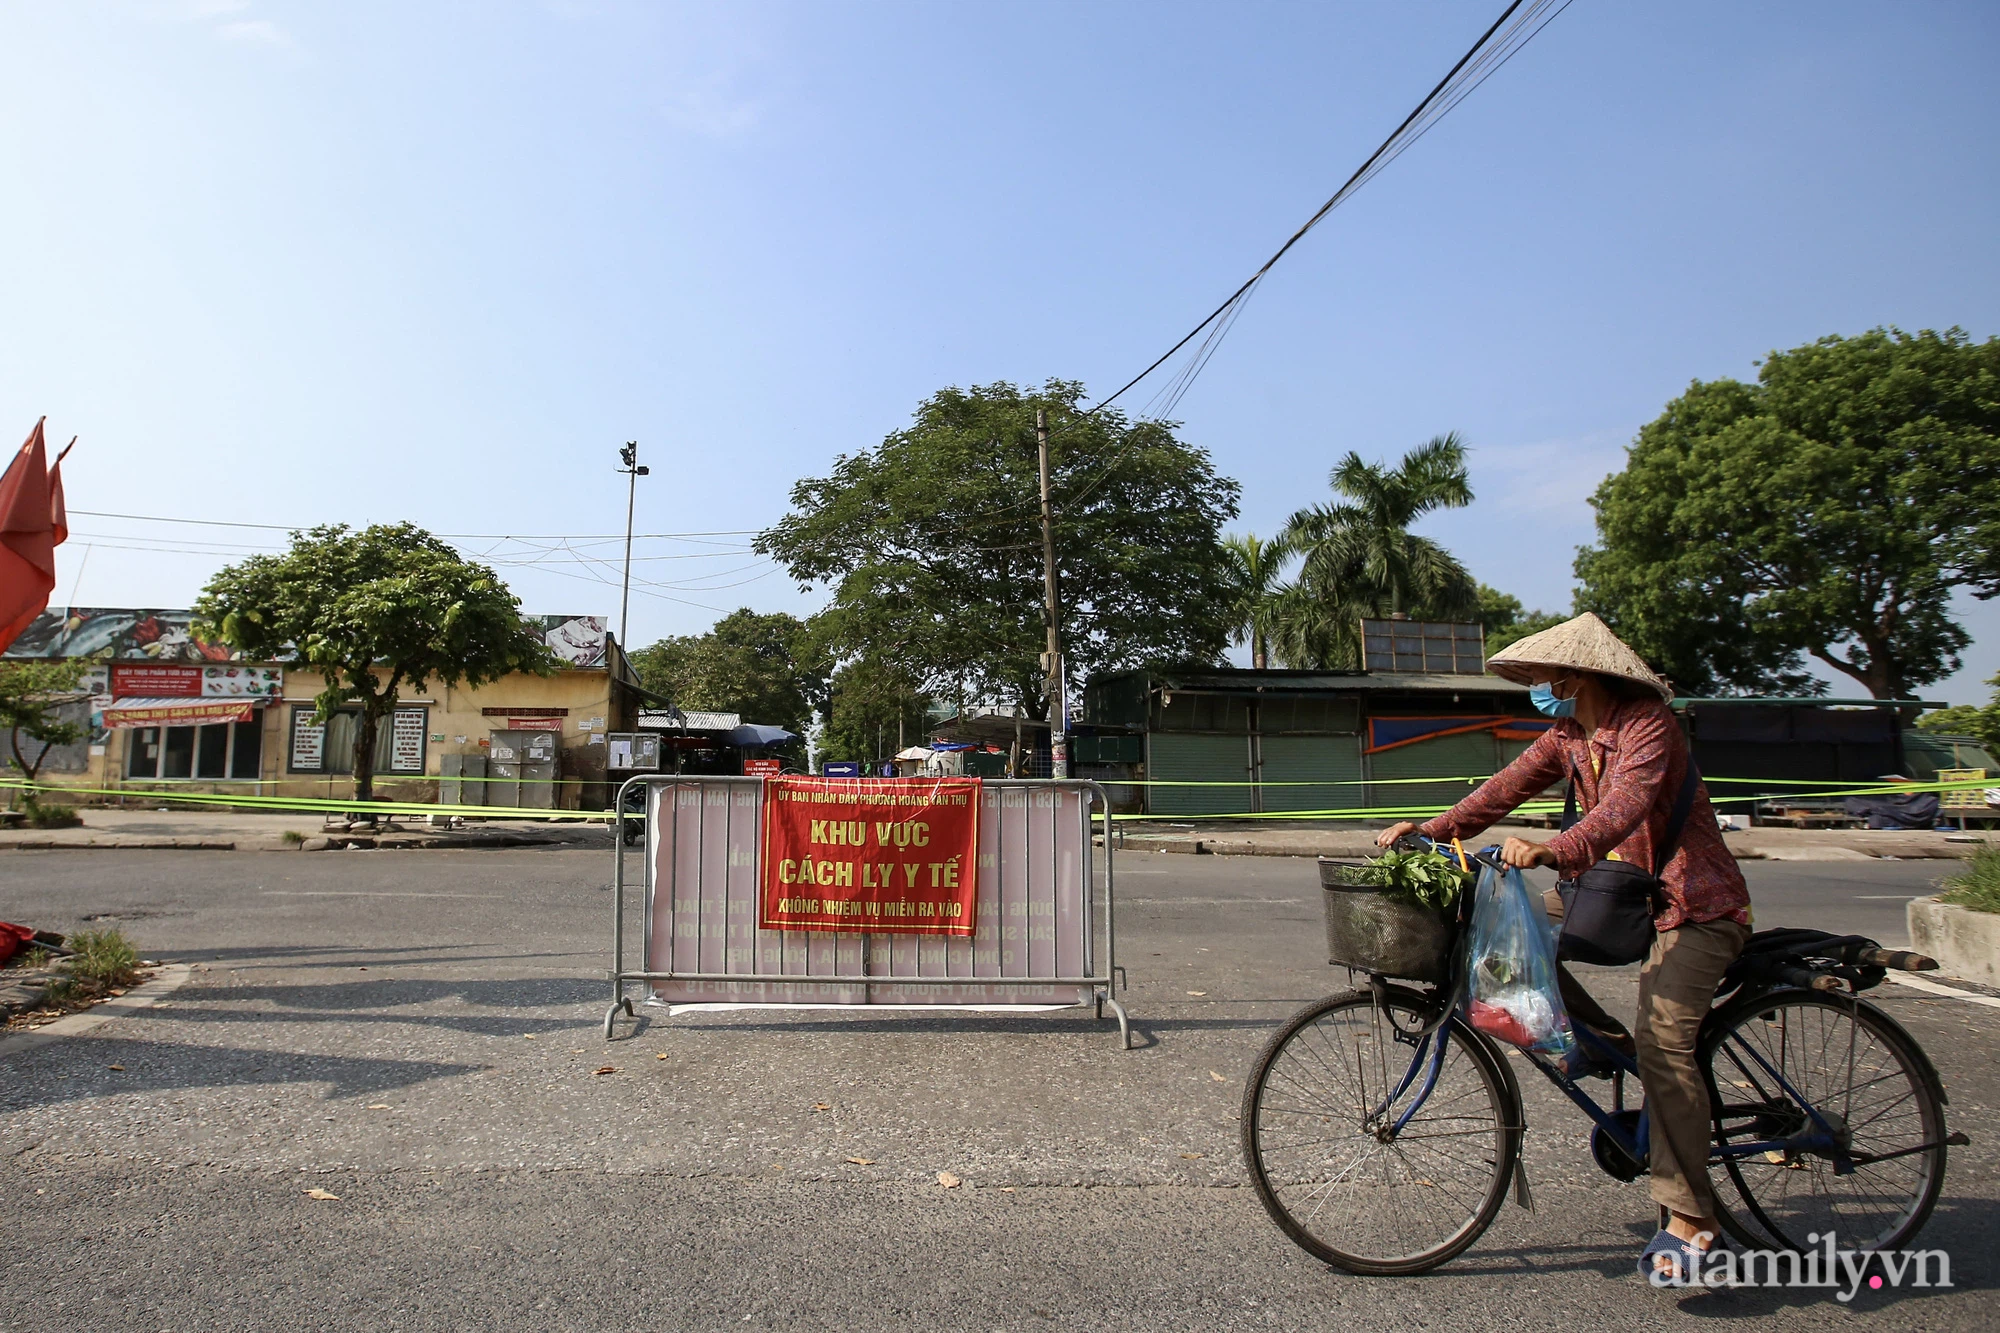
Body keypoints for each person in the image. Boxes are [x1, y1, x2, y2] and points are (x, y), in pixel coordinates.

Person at [1375, 612, 1750, 1282]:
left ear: (1581, 675)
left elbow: (1624, 808)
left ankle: (1692, 1215)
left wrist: (1555, 847)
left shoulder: (1647, 724)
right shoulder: (1569, 734)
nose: (1546, 685)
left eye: (1554, 675)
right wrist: (1430, 830)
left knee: (1667, 1041)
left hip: (1691, 902)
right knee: (1506, 940)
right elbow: (1504, 787)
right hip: (1611, 890)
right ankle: (1605, 1045)